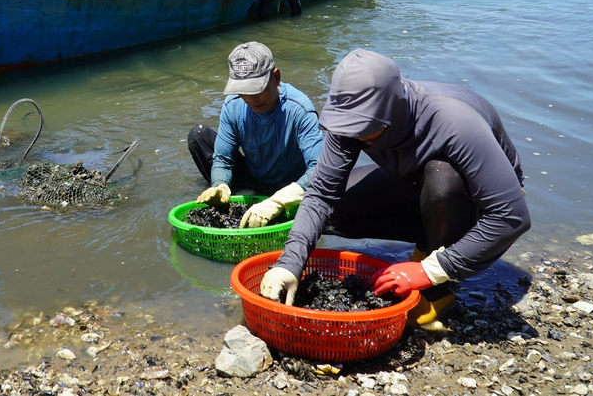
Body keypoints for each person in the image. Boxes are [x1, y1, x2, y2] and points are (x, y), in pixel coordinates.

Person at [259, 49, 530, 329]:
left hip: (472, 199)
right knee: (334, 211)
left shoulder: (453, 122)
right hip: (413, 181)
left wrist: (431, 271)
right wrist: (289, 263)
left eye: (362, 126)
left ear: (391, 110)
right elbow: (321, 194)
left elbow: (511, 217)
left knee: (441, 178)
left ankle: (438, 293)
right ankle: (426, 242)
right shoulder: (348, 122)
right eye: (347, 125)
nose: (353, 134)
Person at [188, 42, 323, 228]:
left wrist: (279, 201)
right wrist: (220, 184)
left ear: (276, 77)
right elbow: (223, 159)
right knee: (198, 136)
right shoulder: (232, 105)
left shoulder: (299, 109)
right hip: (254, 176)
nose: (252, 98)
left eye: (258, 89)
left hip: (290, 185)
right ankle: (231, 192)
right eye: (244, 91)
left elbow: (320, 168)